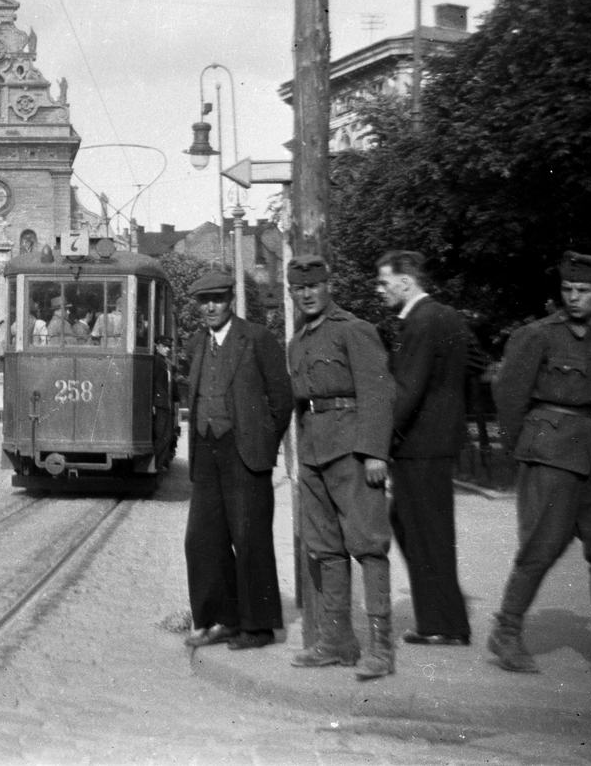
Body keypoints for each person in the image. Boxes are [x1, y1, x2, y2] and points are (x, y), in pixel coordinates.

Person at [488, 252, 591, 678]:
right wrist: (522, 450)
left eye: (583, 290)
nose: (574, 297)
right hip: (550, 451)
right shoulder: (536, 336)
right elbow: (509, 396)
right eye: (568, 289)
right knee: (540, 548)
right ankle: (506, 632)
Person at [286, 255, 397, 680]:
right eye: (299, 288)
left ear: (327, 285)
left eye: (314, 286)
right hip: (314, 452)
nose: (307, 294)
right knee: (326, 548)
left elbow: (378, 392)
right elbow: (301, 404)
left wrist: (375, 453)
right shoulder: (298, 341)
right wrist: (298, 462)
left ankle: (380, 648)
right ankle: (338, 641)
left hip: (352, 451)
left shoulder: (354, 330)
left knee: (368, 544)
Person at [171, 271, 293, 652]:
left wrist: (262, 442)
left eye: (217, 299)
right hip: (207, 452)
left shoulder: (256, 339)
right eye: (203, 301)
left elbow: (282, 399)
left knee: (250, 538)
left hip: (245, 453)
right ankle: (220, 619)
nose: (210, 307)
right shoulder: (197, 344)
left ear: (231, 301)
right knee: (201, 540)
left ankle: (259, 627)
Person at [375, 250, 473, 647]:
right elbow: (477, 363)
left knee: (421, 532)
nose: (379, 289)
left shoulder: (418, 322)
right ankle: (442, 620)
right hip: (440, 442)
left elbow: (406, 391)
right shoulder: (449, 317)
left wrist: (379, 443)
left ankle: (442, 625)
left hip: (417, 446)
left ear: (406, 282)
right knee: (423, 529)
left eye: (383, 282)